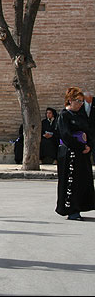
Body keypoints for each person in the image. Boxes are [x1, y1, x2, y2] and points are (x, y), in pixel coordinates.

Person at [55, 87, 95, 221]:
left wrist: (88, 145)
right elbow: (65, 135)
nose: (80, 104)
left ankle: (81, 206)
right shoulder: (64, 115)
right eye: (78, 101)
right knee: (70, 182)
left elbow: (89, 131)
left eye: (82, 101)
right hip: (69, 153)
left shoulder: (81, 115)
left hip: (83, 153)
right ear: (70, 101)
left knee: (83, 181)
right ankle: (71, 210)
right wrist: (79, 146)